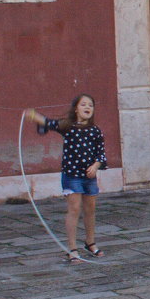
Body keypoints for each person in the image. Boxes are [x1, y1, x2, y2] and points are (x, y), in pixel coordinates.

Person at [24, 94, 108, 264]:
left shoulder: (95, 130)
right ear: (76, 108)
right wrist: (33, 115)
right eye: (83, 104)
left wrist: (96, 165)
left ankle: (90, 243)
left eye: (90, 105)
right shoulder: (67, 126)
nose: (87, 107)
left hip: (89, 177)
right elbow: (48, 123)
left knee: (90, 209)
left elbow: (101, 152)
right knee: (74, 209)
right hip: (71, 176)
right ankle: (72, 249)